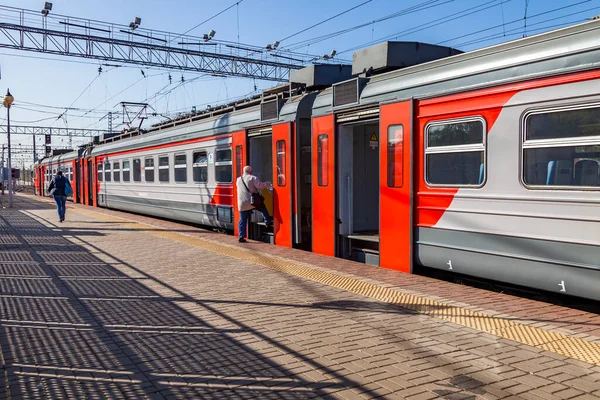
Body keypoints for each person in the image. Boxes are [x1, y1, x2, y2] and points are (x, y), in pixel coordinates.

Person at [236, 165, 273, 243]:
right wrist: (267, 184)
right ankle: (267, 221)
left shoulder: (238, 179)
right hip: (252, 202)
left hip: (241, 204)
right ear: (250, 171)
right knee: (263, 208)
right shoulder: (253, 178)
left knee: (242, 220)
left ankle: (241, 236)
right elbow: (260, 186)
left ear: (243, 171)